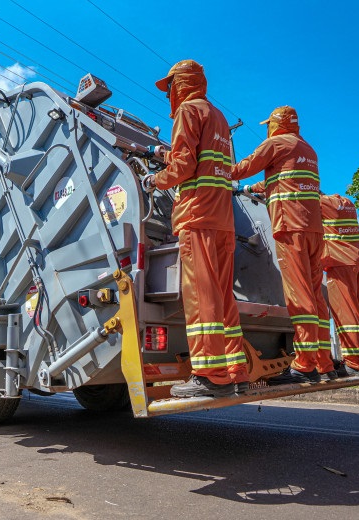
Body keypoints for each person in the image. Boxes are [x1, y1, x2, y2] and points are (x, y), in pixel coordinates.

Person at [144, 59, 250, 398]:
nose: (168, 96)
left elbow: (185, 165)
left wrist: (154, 181)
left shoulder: (187, 112)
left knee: (200, 294)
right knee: (221, 296)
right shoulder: (216, 116)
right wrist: (171, 154)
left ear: (181, 84)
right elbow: (209, 162)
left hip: (197, 214)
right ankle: (236, 369)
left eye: (169, 88)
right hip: (222, 217)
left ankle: (208, 375)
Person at [234, 106, 336, 384]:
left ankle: (303, 365)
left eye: (269, 124)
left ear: (275, 124)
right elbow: (286, 180)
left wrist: (218, 172)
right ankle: (324, 363)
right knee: (315, 297)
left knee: (299, 296)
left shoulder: (275, 143)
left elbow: (244, 167)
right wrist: (252, 189)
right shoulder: (307, 150)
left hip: (290, 227)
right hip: (313, 229)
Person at [320, 193, 359, 378]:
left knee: (345, 315)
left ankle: (354, 364)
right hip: (358, 260)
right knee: (357, 314)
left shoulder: (321, 203)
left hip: (339, 263)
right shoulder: (346, 203)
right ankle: (358, 362)